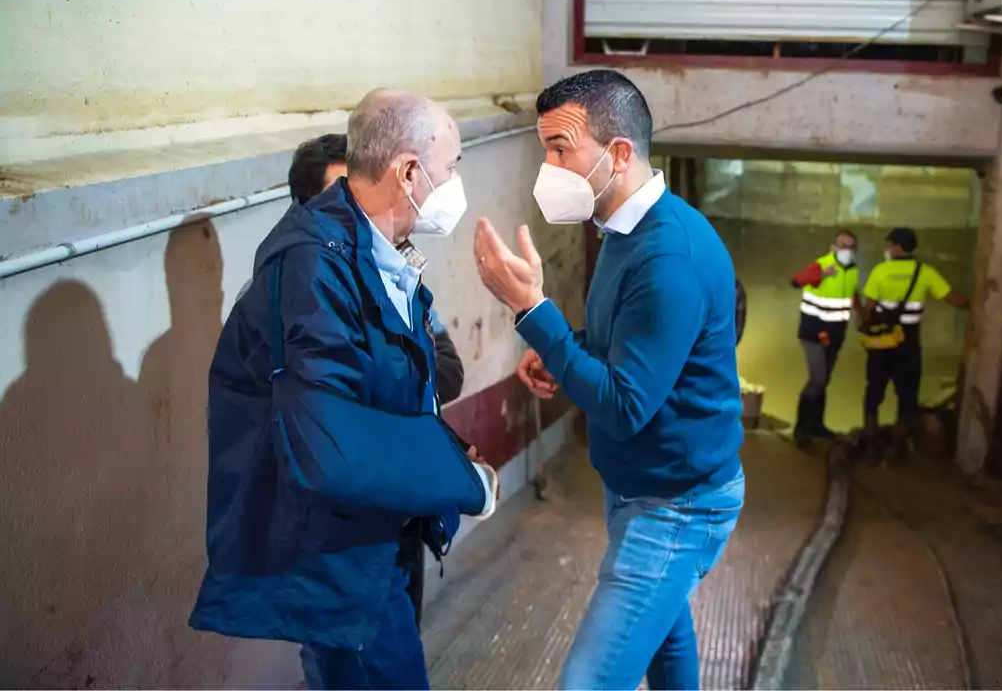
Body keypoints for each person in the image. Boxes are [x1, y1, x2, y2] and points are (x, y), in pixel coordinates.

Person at [190, 89, 499, 690]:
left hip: (380, 532)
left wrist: (445, 458)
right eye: (451, 167)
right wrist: (465, 484)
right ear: (409, 172)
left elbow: (388, 396)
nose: (454, 183)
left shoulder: (372, 255)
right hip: (342, 556)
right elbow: (333, 446)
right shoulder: (314, 266)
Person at [473, 69, 744, 691]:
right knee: (666, 645)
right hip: (639, 488)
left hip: (677, 505)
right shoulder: (623, 232)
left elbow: (624, 407)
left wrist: (536, 317)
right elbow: (626, 347)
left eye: (561, 149)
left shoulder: (667, 256)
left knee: (588, 682)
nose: (549, 167)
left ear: (618, 153)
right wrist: (568, 346)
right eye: (546, 150)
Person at [286, 132, 465, 405]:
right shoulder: (282, 291)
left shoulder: (398, 273)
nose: (363, 214)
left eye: (365, 196)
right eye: (344, 200)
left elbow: (449, 373)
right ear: (312, 212)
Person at [859, 227, 969, 463]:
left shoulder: (881, 271)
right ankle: (898, 448)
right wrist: (978, 303)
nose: (887, 249)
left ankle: (870, 444)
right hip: (908, 345)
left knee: (874, 392)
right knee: (907, 395)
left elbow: (869, 309)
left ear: (897, 247)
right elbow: (954, 301)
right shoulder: (926, 272)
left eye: (889, 245)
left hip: (882, 342)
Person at [789, 230, 860, 444]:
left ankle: (816, 426)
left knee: (823, 380)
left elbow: (852, 294)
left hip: (835, 334)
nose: (846, 250)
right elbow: (796, 281)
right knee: (817, 379)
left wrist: (862, 313)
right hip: (813, 332)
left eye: (850, 246)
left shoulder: (853, 270)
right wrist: (821, 275)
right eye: (842, 245)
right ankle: (802, 428)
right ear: (833, 247)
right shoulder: (822, 265)